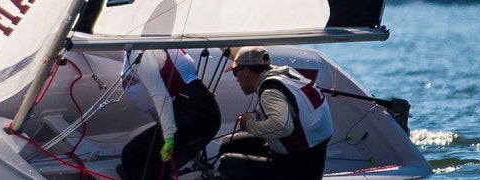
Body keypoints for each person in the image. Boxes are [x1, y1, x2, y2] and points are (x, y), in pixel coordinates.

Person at [216, 46, 333, 180]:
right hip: (311, 158)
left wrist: (248, 124)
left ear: (246, 71)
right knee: (228, 143)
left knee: (227, 163)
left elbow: (282, 127)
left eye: (235, 72)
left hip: (297, 169)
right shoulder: (287, 74)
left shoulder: (270, 92)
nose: (236, 79)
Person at [117, 47, 222, 180]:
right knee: (150, 163)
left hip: (193, 112)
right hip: (199, 110)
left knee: (133, 156)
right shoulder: (148, 46)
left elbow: (161, 95)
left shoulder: (142, 51)